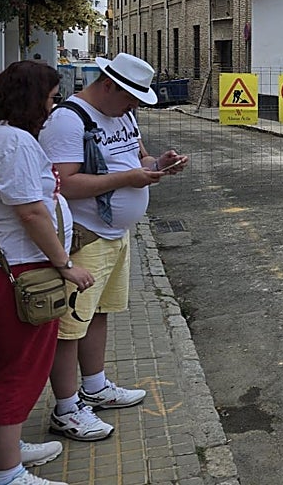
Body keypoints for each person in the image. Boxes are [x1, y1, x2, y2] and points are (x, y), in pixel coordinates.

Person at [40, 53, 188, 441]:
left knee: (100, 313)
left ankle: (96, 386)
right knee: (69, 328)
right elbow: (64, 184)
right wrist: (128, 180)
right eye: (130, 97)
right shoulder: (68, 120)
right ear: (108, 85)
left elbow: (138, 159)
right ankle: (66, 408)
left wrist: (159, 163)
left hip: (115, 236)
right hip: (85, 238)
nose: (135, 106)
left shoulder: (123, 114)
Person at [0, 61, 96, 485]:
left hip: (10, 266)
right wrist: (66, 264)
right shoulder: (14, 143)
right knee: (18, 367)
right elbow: (31, 212)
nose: (52, 106)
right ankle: (7, 472)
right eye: (50, 97)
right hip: (19, 271)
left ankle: (8, 448)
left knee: (9, 361)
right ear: (30, 99)